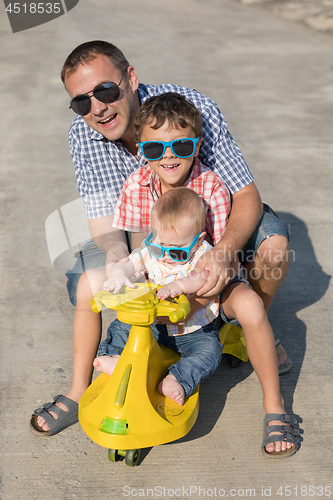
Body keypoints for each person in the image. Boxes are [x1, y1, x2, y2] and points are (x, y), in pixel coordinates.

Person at [30, 93, 300, 457]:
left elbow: (219, 259)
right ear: (141, 149)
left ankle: (275, 405)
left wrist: (192, 300)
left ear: (197, 145)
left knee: (250, 307)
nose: (169, 156)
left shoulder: (212, 191)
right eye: (156, 150)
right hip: (158, 290)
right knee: (86, 286)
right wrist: (126, 277)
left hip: (204, 285)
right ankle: (79, 388)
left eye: (181, 146)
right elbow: (143, 251)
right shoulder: (137, 188)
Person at [94, 188, 224, 407]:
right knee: (120, 327)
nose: (166, 255)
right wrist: (118, 275)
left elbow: (203, 279)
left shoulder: (203, 254)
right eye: (159, 246)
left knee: (210, 351)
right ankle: (115, 358)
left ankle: (177, 379)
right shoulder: (150, 251)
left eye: (177, 252)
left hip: (192, 330)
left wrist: (179, 286)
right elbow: (130, 264)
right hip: (153, 325)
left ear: (199, 240)